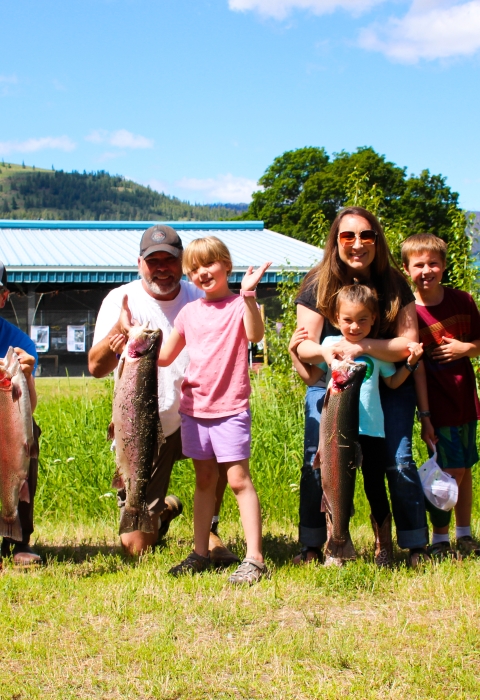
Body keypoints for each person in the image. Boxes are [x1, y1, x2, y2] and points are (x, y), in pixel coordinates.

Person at [295, 206, 432, 568]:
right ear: (335, 241)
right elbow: (303, 346)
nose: (357, 244)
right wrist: (327, 350)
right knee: (317, 461)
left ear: (377, 240)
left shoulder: (395, 284)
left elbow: (408, 343)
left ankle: (413, 543)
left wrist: (359, 347)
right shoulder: (316, 282)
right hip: (333, 383)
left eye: (366, 235)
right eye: (348, 236)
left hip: (387, 383)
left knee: (398, 461)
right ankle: (313, 543)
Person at [88, 225, 233, 560]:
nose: (162, 268)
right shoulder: (121, 300)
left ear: (182, 262)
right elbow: (96, 368)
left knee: (225, 446)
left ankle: (209, 529)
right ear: (140, 263)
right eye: (153, 261)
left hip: (197, 414)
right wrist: (117, 334)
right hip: (144, 428)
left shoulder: (200, 296)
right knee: (136, 549)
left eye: (169, 260)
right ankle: (163, 511)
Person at [158, 236, 271, 584]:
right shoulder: (189, 313)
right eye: (194, 269)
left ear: (226, 265)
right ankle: (200, 552)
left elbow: (255, 335)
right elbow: (163, 356)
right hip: (195, 411)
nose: (202, 273)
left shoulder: (240, 305)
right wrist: (131, 335)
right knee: (204, 481)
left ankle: (255, 558)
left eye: (209, 264)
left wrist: (250, 295)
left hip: (231, 409)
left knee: (238, 480)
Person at [315, 283, 423, 565]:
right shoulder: (330, 345)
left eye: (363, 319)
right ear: (336, 319)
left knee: (375, 487)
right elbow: (309, 370)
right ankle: (335, 543)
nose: (355, 326)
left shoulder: (376, 352)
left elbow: (393, 381)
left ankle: (383, 545)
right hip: (335, 434)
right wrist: (294, 353)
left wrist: (410, 365)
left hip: (371, 431)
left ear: (374, 319)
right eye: (348, 320)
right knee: (335, 486)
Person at [402, 233, 480, 559]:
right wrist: (425, 416)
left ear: (444, 266)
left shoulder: (462, 301)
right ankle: (440, 537)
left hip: (467, 402)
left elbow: (478, 342)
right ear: (406, 269)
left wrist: (467, 348)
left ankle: (464, 533)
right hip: (437, 406)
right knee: (448, 473)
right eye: (419, 264)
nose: (427, 270)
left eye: (433, 263)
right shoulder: (409, 314)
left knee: (466, 468)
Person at [0, 260, 42, 565]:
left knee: (31, 433)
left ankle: (19, 536)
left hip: (7, 424)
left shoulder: (19, 343)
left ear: (3, 297)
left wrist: (24, 377)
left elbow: (30, 408)